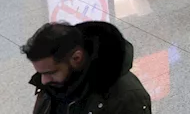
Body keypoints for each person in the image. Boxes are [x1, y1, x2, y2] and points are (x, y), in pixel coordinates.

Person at [23, 22, 151, 113]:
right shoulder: (55, 83)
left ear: (76, 58)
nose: (43, 80)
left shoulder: (127, 97)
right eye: (41, 74)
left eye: (50, 72)